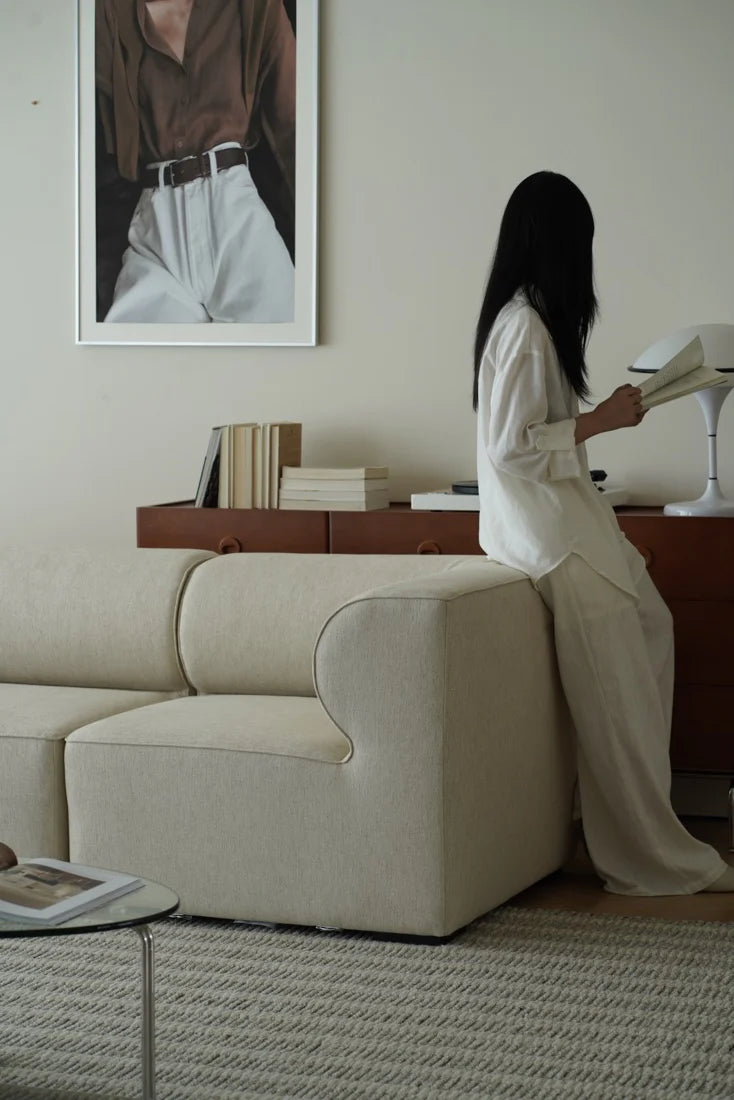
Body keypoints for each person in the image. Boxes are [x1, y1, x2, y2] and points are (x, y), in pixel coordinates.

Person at [473, 171, 734, 895]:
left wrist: (601, 420)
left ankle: (627, 825)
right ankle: (649, 857)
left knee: (652, 628)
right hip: (548, 534)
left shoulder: (530, 322)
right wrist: (603, 420)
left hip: (568, 522)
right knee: (617, 684)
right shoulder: (524, 328)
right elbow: (508, 448)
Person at [95, 0, 296, 323]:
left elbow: (293, 122)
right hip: (156, 223)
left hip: (234, 208)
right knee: (132, 366)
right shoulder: (110, 13)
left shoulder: (253, 6)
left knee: (291, 354)